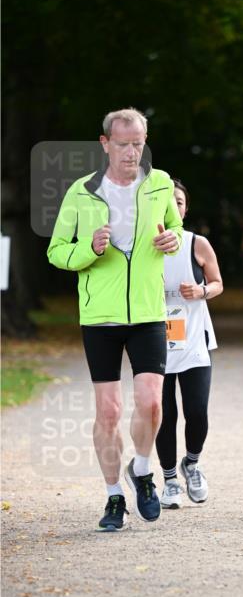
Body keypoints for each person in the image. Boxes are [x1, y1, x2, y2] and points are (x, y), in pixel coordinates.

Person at [47, 107, 183, 531]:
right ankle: (113, 497)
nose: (131, 152)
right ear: (105, 143)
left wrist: (170, 240)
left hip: (146, 311)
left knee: (152, 403)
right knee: (108, 412)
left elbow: (175, 231)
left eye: (138, 144)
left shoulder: (159, 183)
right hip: (100, 315)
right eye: (123, 144)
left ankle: (141, 470)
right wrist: (89, 248)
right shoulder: (82, 191)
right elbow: (56, 252)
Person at [156, 179, 223, 508]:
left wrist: (202, 292)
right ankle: (169, 480)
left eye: (180, 202)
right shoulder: (143, 246)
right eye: (168, 202)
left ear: (186, 208)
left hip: (195, 340)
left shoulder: (197, 244)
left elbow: (218, 283)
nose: (175, 207)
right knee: (163, 414)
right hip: (154, 342)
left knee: (196, 411)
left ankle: (191, 464)